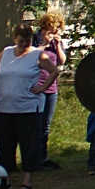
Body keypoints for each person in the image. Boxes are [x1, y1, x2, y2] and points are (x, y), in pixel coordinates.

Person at [0, 24, 60, 189]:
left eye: (27, 42)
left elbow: (54, 71)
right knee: (5, 145)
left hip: (28, 109)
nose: (23, 45)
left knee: (29, 145)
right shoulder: (6, 52)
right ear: (15, 39)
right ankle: (7, 180)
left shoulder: (37, 54)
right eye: (21, 41)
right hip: (4, 108)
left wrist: (43, 87)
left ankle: (27, 182)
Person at [33, 12, 67, 170]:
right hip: (37, 87)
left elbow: (61, 61)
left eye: (57, 30)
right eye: (52, 30)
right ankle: (33, 158)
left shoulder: (56, 43)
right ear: (45, 27)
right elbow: (30, 57)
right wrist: (44, 44)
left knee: (46, 124)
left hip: (51, 88)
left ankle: (43, 157)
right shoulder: (34, 39)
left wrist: (58, 45)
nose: (54, 33)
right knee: (36, 125)